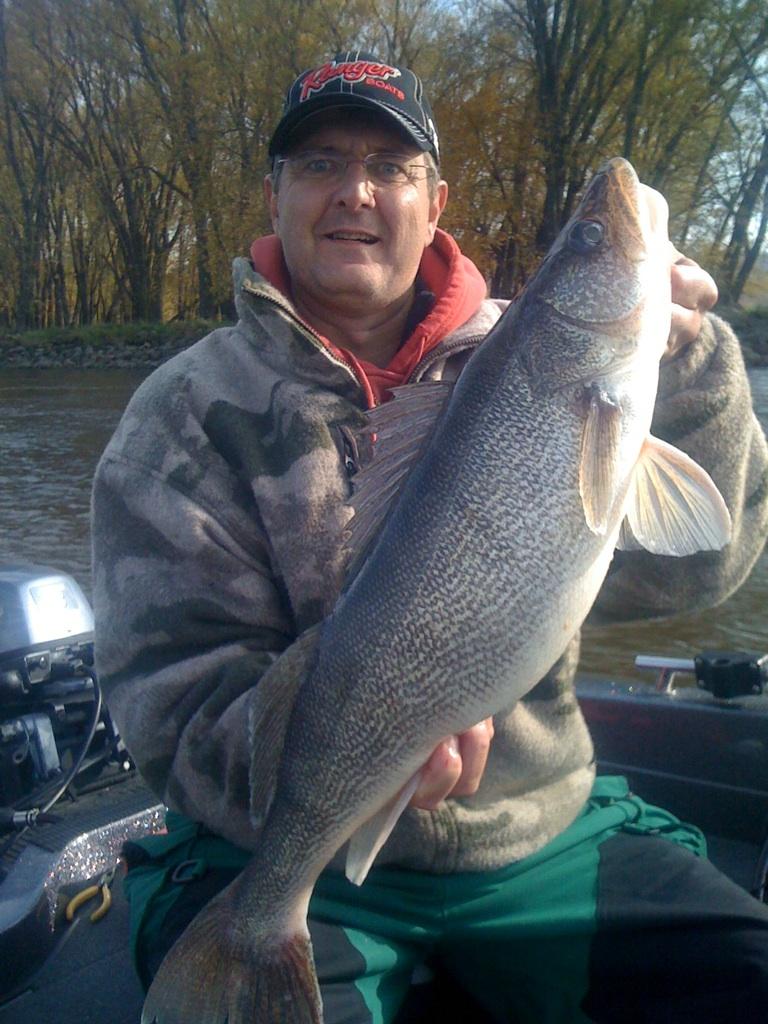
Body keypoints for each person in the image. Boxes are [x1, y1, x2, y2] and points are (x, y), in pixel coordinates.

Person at [92, 50, 768, 1023]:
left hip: (536, 829)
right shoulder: (180, 419)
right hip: (281, 852)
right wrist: (358, 767)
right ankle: (257, 929)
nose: (354, 192)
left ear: (435, 199)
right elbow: (170, 693)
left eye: (390, 167)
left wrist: (692, 359)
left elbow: (696, 564)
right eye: (320, 163)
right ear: (276, 193)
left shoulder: (527, 357)